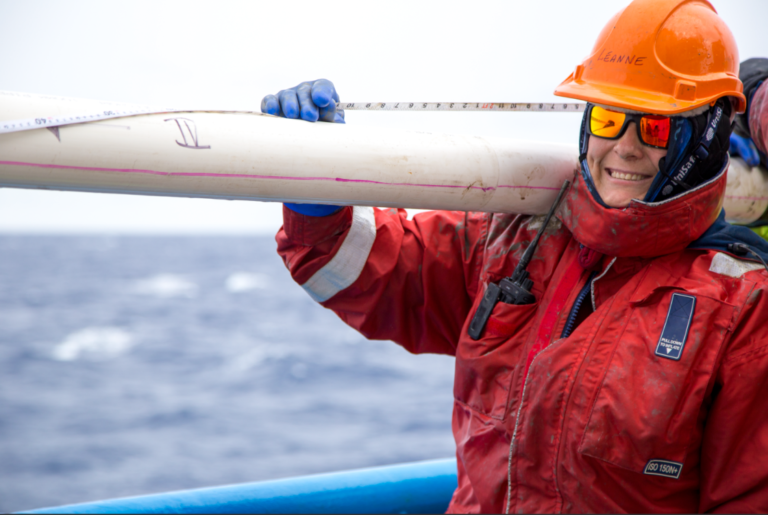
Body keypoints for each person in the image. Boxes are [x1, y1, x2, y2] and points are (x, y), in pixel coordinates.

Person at [262, 0, 768, 512]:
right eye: (610, 117)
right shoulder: (512, 239)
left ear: (706, 139)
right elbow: (370, 271)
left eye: (656, 128)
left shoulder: (744, 310)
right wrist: (319, 190)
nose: (625, 147)